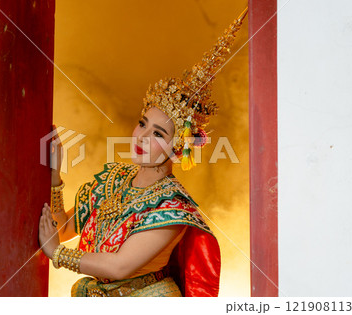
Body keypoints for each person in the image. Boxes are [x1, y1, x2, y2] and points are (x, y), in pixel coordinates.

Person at [39, 8, 247, 297]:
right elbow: (61, 231)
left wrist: (58, 255)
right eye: (142, 124)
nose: (143, 137)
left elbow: (119, 266)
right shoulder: (114, 179)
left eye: (158, 134)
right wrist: (55, 175)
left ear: (178, 148)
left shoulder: (173, 208)